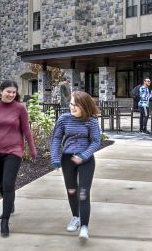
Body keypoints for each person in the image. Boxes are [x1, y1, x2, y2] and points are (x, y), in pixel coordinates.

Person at [0, 80, 37, 237]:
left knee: (8, 183)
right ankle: (9, 204)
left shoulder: (20, 108)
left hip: (14, 150)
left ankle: (4, 220)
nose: (11, 94)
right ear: (1, 92)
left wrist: (32, 149)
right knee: (0, 183)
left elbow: (26, 130)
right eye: (8, 92)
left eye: (14, 92)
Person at [50, 91, 101, 243]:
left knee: (83, 193)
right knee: (72, 190)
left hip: (86, 160)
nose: (71, 107)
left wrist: (84, 155)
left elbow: (95, 141)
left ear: (84, 106)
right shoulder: (64, 119)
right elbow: (56, 138)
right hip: (68, 159)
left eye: (75, 105)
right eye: (71, 104)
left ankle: (84, 227)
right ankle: (76, 218)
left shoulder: (91, 121)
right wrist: (55, 158)